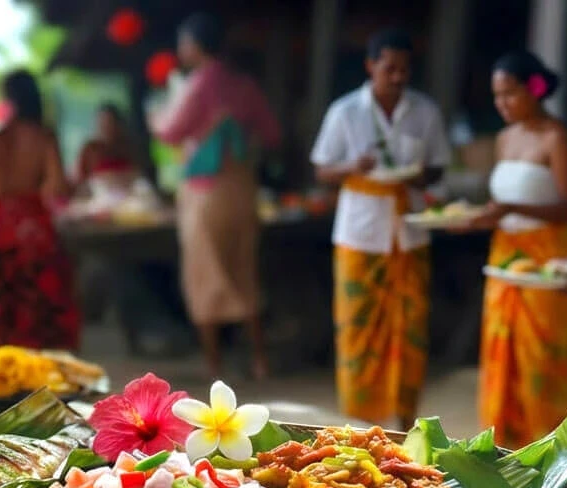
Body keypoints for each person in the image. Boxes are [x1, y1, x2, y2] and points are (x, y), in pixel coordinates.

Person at [310, 28, 451, 429]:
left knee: (410, 330)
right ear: (371, 66)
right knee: (357, 329)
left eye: (405, 69)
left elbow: (439, 166)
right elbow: (322, 168)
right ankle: (359, 420)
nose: (398, 76)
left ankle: (405, 420)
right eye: (390, 68)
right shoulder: (345, 112)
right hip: (359, 233)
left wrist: (422, 177)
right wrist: (352, 167)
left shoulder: (425, 112)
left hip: (409, 231)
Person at [455, 51, 567, 448]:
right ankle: (508, 444)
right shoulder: (505, 138)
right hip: (505, 257)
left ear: (535, 89)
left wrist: (513, 208)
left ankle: (551, 446)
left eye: (510, 94)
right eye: (497, 96)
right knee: (501, 353)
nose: (502, 104)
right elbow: (503, 203)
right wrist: (483, 218)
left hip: (546, 258)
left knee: (541, 357)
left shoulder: (556, 138)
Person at [155, 12, 282, 379]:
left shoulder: (195, 85)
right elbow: (272, 134)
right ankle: (260, 360)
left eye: (183, 43)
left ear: (194, 45)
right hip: (242, 189)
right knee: (245, 272)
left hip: (205, 194)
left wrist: (159, 113)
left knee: (204, 276)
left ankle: (215, 367)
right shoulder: (244, 85)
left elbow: (169, 132)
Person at [0, 68, 80, 349]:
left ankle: (3, 362)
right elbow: (57, 186)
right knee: (41, 300)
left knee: (0, 298)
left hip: (0, 222)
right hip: (34, 221)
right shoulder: (45, 137)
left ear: (6, 98)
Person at [76, 103, 141, 185]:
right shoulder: (90, 150)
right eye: (102, 123)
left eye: (110, 122)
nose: (106, 127)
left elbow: (138, 174)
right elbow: (80, 178)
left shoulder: (129, 147)